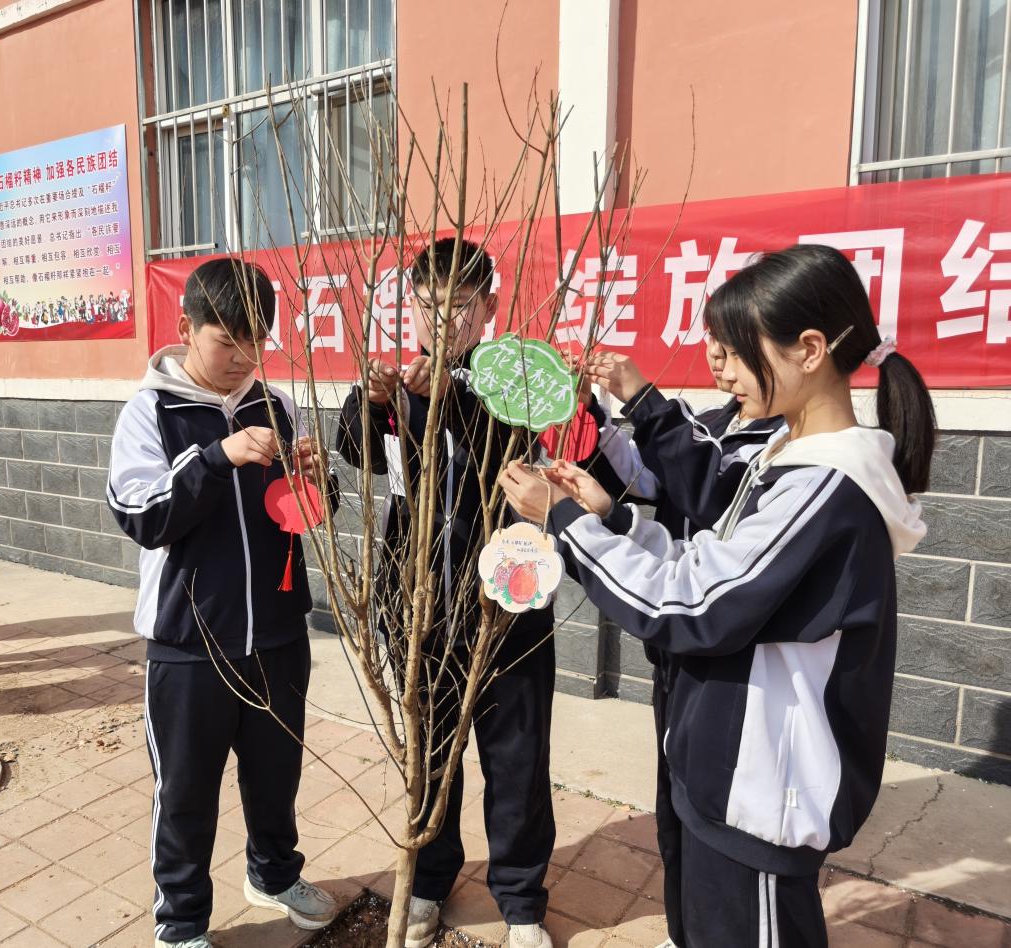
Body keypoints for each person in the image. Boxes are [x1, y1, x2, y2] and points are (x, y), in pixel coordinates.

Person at [501, 244, 934, 947]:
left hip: (759, 794)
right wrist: (609, 519)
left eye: (739, 350)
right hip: (725, 772)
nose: (722, 368)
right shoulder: (786, 462)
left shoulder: (825, 488)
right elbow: (706, 566)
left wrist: (563, 521)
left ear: (811, 349)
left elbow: (694, 608)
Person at [336, 238, 563, 948]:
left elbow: (506, 452)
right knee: (430, 759)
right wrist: (374, 406)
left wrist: (451, 398)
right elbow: (359, 455)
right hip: (419, 605)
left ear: (489, 307)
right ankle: (431, 879)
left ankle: (521, 901)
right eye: (429, 306)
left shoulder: (520, 374)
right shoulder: (401, 377)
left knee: (517, 758)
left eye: (459, 308)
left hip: (508, 603)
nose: (442, 322)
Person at [107, 258, 338, 948]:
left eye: (256, 341)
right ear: (186, 329)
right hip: (188, 644)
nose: (241, 358)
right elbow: (141, 513)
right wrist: (218, 456)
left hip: (275, 636)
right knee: (184, 795)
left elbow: (300, 519)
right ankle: (179, 924)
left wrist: (314, 482)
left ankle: (273, 874)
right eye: (225, 341)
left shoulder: (278, 406)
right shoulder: (149, 411)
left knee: (276, 777)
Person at [580, 338, 787, 947]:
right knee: (676, 807)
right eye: (712, 346)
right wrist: (592, 422)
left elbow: (707, 496)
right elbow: (659, 492)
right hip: (681, 657)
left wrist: (645, 400)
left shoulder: (791, 457)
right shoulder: (716, 423)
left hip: (730, 667)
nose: (719, 363)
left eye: (734, 348)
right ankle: (683, 928)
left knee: (723, 829)